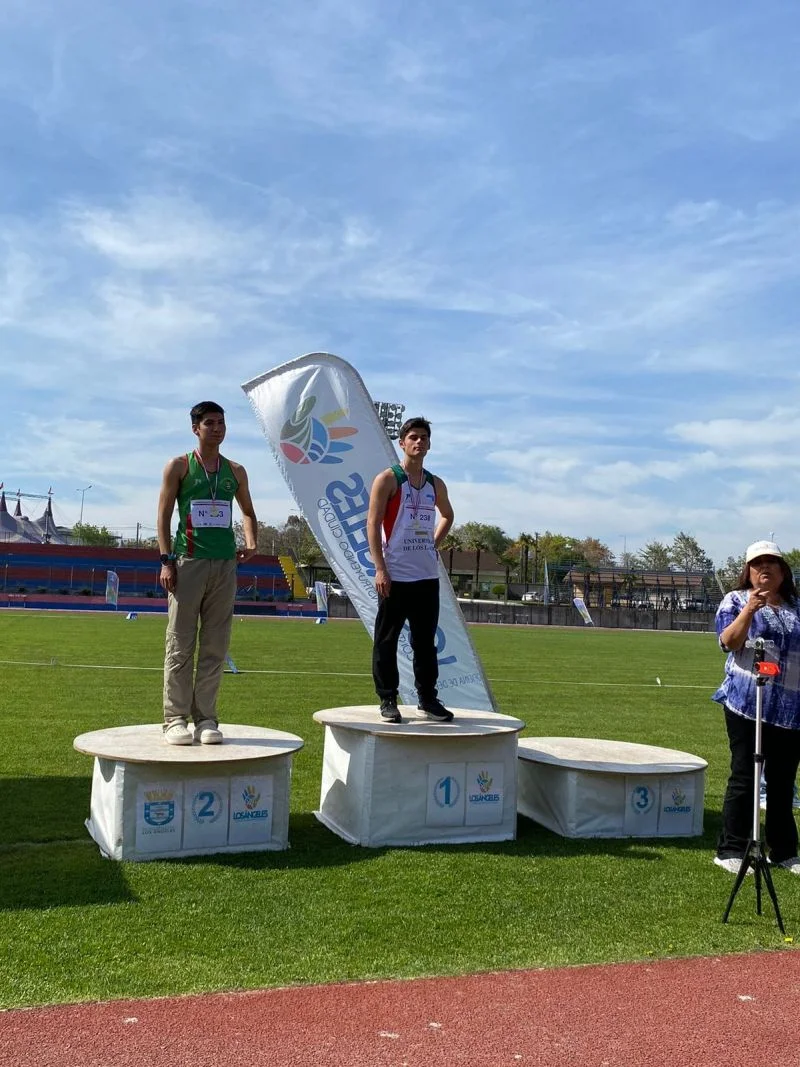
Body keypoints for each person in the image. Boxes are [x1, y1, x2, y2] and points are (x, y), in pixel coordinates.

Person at [157, 401, 258, 745]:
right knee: (180, 644)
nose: (217, 428)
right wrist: (165, 560)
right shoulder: (179, 466)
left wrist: (252, 539)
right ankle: (174, 719)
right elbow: (163, 515)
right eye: (210, 423)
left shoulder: (236, 471)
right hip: (188, 562)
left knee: (215, 646)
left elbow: (247, 511)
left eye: (221, 423)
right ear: (195, 429)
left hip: (225, 564)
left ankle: (207, 719)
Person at [712, 540, 800, 874]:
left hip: (791, 710)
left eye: (772, 563)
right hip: (748, 704)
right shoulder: (734, 600)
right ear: (747, 571)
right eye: (757, 564)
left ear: (783, 571)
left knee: (782, 781)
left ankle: (784, 851)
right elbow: (728, 643)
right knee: (746, 776)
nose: (765, 569)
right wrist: (750, 609)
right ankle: (731, 849)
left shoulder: (796, 607)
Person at [367, 416, 455, 724]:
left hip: (426, 577)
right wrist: (380, 568)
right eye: (413, 437)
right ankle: (388, 699)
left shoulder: (435, 483)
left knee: (424, 643)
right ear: (402, 443)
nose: (419, 442)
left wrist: (433, 544)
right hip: (395, 574)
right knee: (387, 639)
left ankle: (427, 700)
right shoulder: (388, 479)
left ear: (429, 444)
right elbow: (373, 523)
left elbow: (447, 515)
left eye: (424, 438)